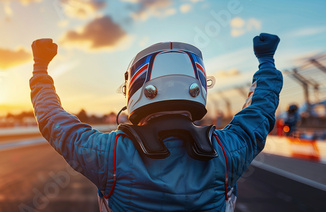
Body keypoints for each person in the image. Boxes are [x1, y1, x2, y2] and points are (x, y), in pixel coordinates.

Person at [29, 33, 282, 211]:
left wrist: (40, 69)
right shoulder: (228, 151)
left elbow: (54, 120)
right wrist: (266, 63)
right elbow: (260, 111)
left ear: (136, 88)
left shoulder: (112, 155)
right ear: (198, 85)